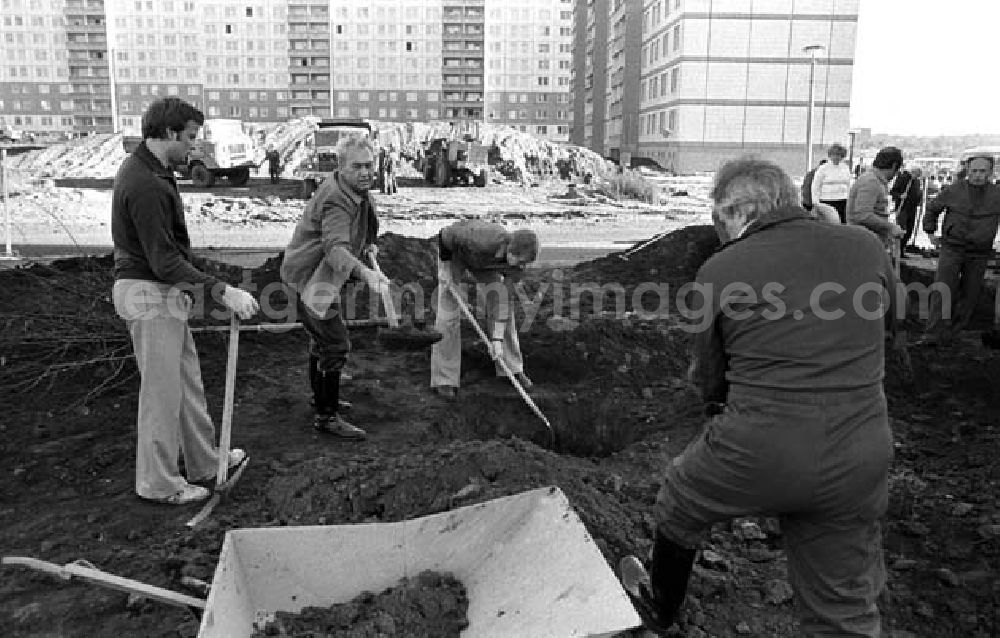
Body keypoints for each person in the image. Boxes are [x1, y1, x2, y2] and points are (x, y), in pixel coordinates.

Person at [621, 157, 897, 637]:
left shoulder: (720, 269)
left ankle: (660, 609)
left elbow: (711, 375)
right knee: (841, 606)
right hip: (861, 449)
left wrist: (715, 409)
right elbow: (892, 322)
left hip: (761, 444)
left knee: (681, 499)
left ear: (733, 214)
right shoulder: (865, 245)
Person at [111, 97, 259, 505]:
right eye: (191, 137)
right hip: (148, 294)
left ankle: (205, 462)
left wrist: (213, 282)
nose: (194, 147)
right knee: (162, 393)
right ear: (170, 133)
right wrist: (222, 291)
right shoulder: (145, 183)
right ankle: (158, 483)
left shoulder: (154, 172)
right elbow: (163, 261)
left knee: (186, 385)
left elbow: (171, 253)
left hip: (160, 293)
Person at [280, 135, 390, 439]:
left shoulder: (356, 191)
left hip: (323, 277)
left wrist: (368, 245)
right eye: (357, 166)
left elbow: (357, 230)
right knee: (336, 344)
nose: (366, 172)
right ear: (341, 167)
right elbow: (334, 248)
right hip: (311, 279)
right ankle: (326, 416)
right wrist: (366, 274)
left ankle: (321, 400)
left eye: (370, 165)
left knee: (323, 340)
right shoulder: (336, 198)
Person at [431, 221, 539, 398]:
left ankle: (511, 369)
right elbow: (445, 236)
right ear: (510, 250)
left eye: (524, 264)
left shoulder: (517, 266)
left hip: (487, 264)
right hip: (455, 253)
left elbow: (503, 302)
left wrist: (496, 340)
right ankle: (444, 379)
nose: (521, 267)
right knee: (448, 313)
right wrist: (445, 269)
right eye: (519, 261)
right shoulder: (480, 238)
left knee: (505, 311)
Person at [915, 154, 1000, 347]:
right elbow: (933, 208)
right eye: (974, 171)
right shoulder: (953, 190)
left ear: (990, 172)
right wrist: (930, 232)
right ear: (968, 171)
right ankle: (933, 334)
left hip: (979, 252)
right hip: (952, 248)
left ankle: (954, 334)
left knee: (970, 295)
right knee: (943, 290)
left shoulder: (997, 195)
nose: (978, 175)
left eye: (982, 171)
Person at [847, 146, 905, 246]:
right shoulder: (871, 181)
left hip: (872, 240)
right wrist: (890, 227)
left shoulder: (877, 181)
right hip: (864, 242)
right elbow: (863, 215)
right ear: (894, 166)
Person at [811, 143, 852, 223]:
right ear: (830, 155)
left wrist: (849, 199)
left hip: (843, 200)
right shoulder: (823, 168)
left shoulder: (845, 168)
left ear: (842, 156)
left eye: (839, 155)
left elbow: (849, 185)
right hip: (827, 201)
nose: (836, 157)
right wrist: (815, 202)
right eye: (834, 155)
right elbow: (815, 186)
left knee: (842, 223)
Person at [894, 166, 924, 254]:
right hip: (902, 208)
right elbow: (893, 191)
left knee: (909, 230)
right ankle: (897, 251)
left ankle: (902, 250)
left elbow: (916, 194)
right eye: (917, 175)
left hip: (912, 209)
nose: (917, 177)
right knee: (902, 229)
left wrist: (919, 199)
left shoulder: (916, 182)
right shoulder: (903, 178)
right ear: (913, 172)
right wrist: (900, 196)